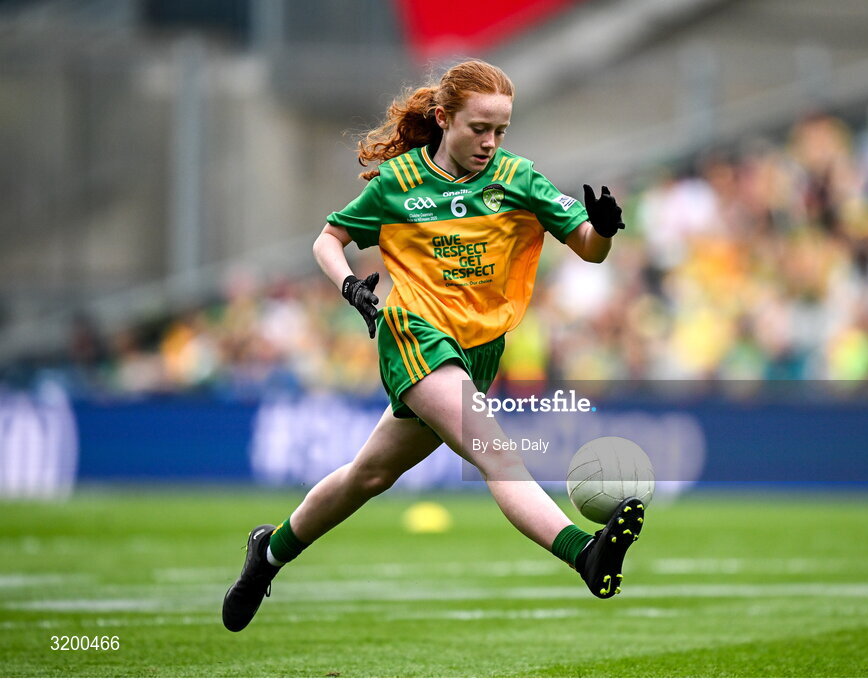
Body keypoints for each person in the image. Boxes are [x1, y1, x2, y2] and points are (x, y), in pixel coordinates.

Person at [222, 59, 645, 632]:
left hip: (479, 351)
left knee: (367, 476)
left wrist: (605, 230)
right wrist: (348, 284)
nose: (490, 143)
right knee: (496, 454)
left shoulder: (519, 178)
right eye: (479, 129)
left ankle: (268, 553)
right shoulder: (399, 183)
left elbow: (587, 246)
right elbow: (330, 238)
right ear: (444, 118)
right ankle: (583, 554)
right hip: (413, 335)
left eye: (501, 130)